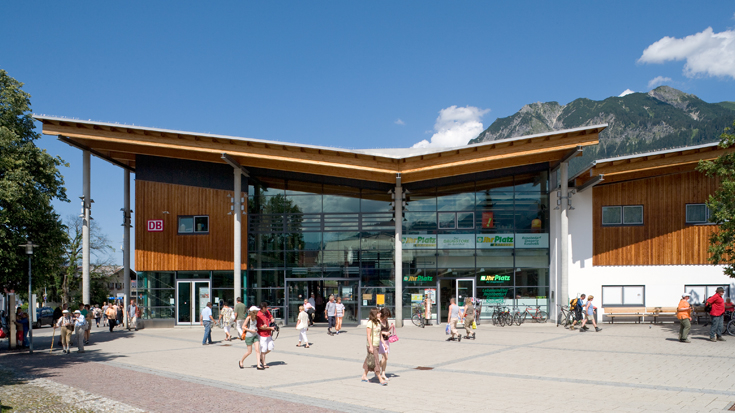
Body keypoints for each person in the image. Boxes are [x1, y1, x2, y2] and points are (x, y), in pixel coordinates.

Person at [360, 308, 387, 386]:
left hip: (377, 344)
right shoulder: (370, 323)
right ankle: (380, 379)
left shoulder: (378, 323)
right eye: (378, 313)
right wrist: (371, 346)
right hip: (371, 345)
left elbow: (380, 334)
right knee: (375, 361)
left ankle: (364, 376)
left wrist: (384, 343)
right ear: (375, 314)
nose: (380, 314)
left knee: (369, 359)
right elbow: (368, 335)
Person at [256, 302, 275, 368]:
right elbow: (260, 327)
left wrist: (272, 318)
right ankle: (264, 363)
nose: (266, 309)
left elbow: (270, 316)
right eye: (265, 308)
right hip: (262, 334)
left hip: (268, 333)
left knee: (271, 347)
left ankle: (261, 356)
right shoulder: (259, 315)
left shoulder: (267, 312)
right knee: (263, 349)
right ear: (262, 308)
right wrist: (270, 328)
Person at [378, 307, 394, 382]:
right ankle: (376, 368)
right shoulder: (378, 321)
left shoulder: (386, 320)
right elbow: (377, 331)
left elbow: (386, 329)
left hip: (386, 340)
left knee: (385, 358)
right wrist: (384, 333)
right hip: (380, 341)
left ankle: (383, 373)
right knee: (385, 357)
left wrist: (390, 328)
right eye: (385, 316)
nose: (386, 317)